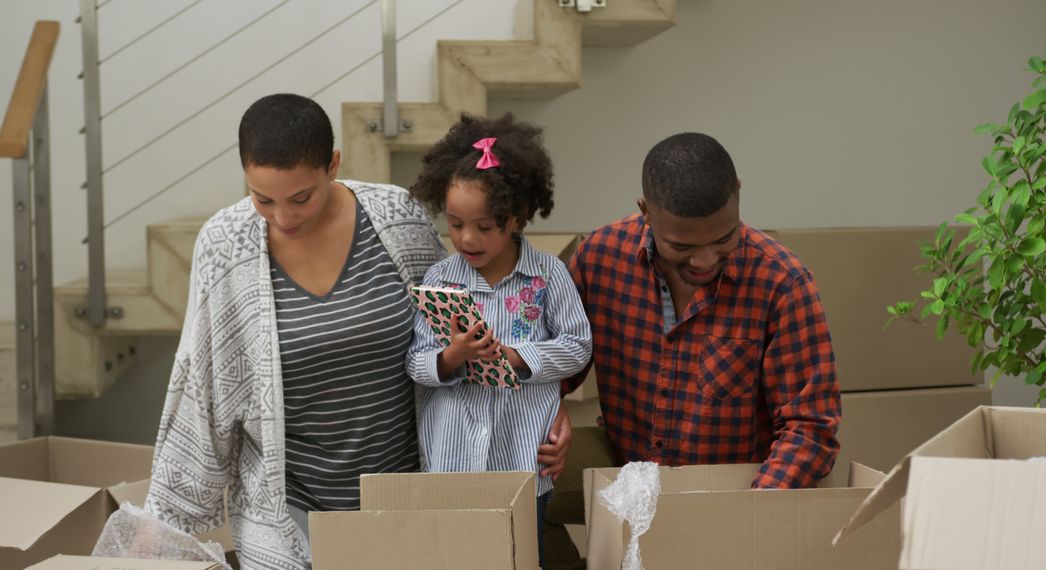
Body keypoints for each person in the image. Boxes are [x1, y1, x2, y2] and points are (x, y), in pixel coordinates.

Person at [140, 94, 573, 570]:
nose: (284, 218)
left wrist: (551, 404)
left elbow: (473, 330)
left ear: (333, 165)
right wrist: (160, 527)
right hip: (289, 512)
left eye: (301, 197)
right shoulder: (225, 245)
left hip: (411, 499)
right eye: (263, 199)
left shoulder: (398, 218)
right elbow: (203, 388)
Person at [545, 132, 842, 568]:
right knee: (519, 475)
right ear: (645, 212)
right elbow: (556, 362)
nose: (704, 260)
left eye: (723, 240)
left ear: (738, 194)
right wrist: (549, 405)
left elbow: (811, 428)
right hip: (628, 464)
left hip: (735, 486)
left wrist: (750, 515)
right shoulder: (600, 258)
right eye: (681, 246)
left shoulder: (783, 282)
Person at [405, 113, 592, 569]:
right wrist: (453, 356)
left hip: (524, 461)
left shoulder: (548, 276)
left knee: (520, 556)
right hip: (452, 465)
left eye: (485, 226)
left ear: (516, 217)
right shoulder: (439, 280)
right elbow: (416, 361)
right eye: (454, 224)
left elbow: (578, 346)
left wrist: (517, 356)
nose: (467, 238)